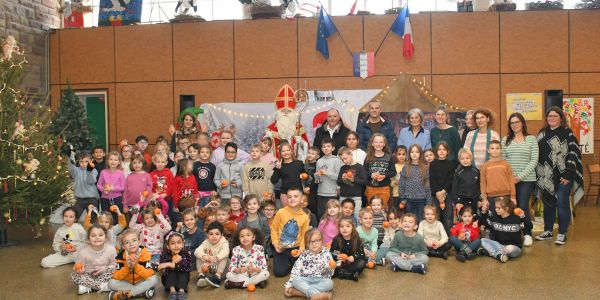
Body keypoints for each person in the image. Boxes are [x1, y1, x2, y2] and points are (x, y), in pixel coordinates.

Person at [535, 106, 584, 245]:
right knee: (548, 203)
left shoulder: (567, 132)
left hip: (563, 175)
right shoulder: (542, 133)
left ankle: (562, 233)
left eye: (555, 116)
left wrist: (568, 173)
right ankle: (548, 231)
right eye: (549, 116)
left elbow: (574, 152)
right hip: (545, 174)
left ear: (561, 118)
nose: (552, 118)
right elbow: (536, 152)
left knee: (562, 204)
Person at [502, 112, 537, 246]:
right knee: (509, 206)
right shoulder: (505, 140)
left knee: (522, 206)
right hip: (508, 180)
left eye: (517, 122)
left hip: (526, 180)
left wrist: (520, 177)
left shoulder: (531, 139)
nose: (515, 125)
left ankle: (527, 232)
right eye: (512, 123)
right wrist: (511, 178)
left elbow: (534, 160)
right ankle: (513, 232)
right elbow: (504, 160)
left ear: (522, 123)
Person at [270, 188, 311, 277]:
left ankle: (292, 263)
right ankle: (286, 263)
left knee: (302, 272)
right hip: (281, 248)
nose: (292, 198)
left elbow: (305, 235)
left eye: (295, 196)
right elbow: (274, 228)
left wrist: (301, 250)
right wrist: (275, 244)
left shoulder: (304, 217)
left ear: (301, 199)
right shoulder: (281, 212)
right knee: (279, 273)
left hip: (296, 248)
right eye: (289, 197)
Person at [108, 229, 159, 299]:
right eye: (127, 242)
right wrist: (127, 267)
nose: (131, 244)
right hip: (127, 283)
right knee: (111, 283)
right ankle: (141, 292)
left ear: (139, 242)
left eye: (134, 240)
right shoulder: (120, 257)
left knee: (154, 279)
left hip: (141, 281)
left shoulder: (145, 253)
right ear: (123, 246)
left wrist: (136, 266)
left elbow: (149, 274)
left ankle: (129, 293)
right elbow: (116, 276)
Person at [284, 229, 335, 299]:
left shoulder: (327, 254)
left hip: (320, 279)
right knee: (295, 280)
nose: (314, 244)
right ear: (306, 244)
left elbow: (330, 274)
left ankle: (300, 293)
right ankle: (318, 295)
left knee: (330, 283)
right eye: (310, 242)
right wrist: (289, 284)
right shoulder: (304, 255)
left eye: (317, 240)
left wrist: (330, 268)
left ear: (322, 241)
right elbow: (295, 270)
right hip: (305, 279)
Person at [264, 84, 310, 158]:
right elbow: (263, 148)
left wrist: (301, 142)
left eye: (288, 111)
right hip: (276, 164)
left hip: (294, 163)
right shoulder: (271, 129)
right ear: (278, 113)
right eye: (282, 111)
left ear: (293, 113)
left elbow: (307, 148)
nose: (285, 113)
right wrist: (267, 138)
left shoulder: (299, 128)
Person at [73, 225, 116, 295]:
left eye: (100, 235)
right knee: (74, 275)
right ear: (88, 239)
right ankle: (103, 286)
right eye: (93, 236)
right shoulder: (83, 251)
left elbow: (114, 265)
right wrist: (80, 270)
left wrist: (105, 269)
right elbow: (77, 266)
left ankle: (88, 286)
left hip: (104, 275)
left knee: (117, 270)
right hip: (89, 275)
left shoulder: (111, 249)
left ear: (106, 237)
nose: (97, 237)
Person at [478, 197, 524, 263]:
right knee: (482, 240)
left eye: (499, 208)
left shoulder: (516, 219)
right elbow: (483, 222)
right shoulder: (494, 218)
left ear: (507, 208)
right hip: (498, 245)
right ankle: (498, 255)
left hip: (514, 248)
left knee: (510, 248)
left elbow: (528, 225)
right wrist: (483, 212)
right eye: (495, 208)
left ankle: (491, 253)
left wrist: (523, 216)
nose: (496, 210)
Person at [480, 140, 516, 215]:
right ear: (488, 151)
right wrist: (484, 199)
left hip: (505, 195)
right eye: (492, 148)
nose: (495, 150)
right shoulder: (484, 166)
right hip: (491, 197)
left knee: (506, 216)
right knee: (493, 218)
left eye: (497, 148)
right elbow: (483, 183)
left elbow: (511, 181)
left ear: (501, 150)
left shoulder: (506, 164)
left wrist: (513, 197)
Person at [429, 142, 458, 233]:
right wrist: (438, 192)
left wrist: (443, 191)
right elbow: (432, 179)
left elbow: (450, 179)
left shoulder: (451, 164)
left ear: (447, 152)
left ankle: (448, 239)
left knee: (448, 217)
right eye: (439, 149)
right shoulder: (433, 164)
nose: (442, 152)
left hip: (447, 194)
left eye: (444, 149)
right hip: (435, 195)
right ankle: (436, 236)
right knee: (435, 216)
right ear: (436, 152)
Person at [399, 144, 432, 222]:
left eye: (417, 152)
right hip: (408, 199)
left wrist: (429, 201)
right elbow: (402, 183)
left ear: (420, 154)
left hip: (421, 199)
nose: (414, 154)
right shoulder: (406, 167)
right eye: (412, 152)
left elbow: (427, 185)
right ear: (409, 154)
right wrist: (402, 198)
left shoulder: (425, 168)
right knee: (410, 220)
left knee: (420, 220)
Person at [363, 133, 397, 209]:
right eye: (376, 142)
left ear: (384, 144)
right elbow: (364, 171)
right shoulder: (368, 156)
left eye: (381, 142)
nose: (378, 144)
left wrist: (384, 176)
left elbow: (393, 172)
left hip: (384, 188)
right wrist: (371, 175)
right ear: (372, 144)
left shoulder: (389, 157)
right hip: (371, 188)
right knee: (371, 210)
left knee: (382, 210)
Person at [158, 232, 193, 300]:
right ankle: (172, 291)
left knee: (183, 272)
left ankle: (181, 291)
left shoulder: (186, 254)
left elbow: (188, 268)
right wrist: (166, 266)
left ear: (183, 244)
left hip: (182, 281)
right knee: (170, 272)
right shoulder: (164, 255)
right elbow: (163, 272)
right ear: (168, 246)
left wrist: (175, 264)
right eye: (173, 243)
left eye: (179, 243)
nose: (176, 246)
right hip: (168, 282)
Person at [330, 217, 367, 281]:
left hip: (352, 263)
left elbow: (361, 254)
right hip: (340, 263)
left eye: (347, 226)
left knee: (362, 262)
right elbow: (331, 252)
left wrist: (354, 257)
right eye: (342, 226)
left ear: (352, 227)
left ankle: (341, 273)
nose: (344, 229)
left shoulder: (357, 239)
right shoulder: (337, 239)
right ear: (339, 228)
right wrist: (337, 256)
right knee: (328, 264)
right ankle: (349, 274)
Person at [195, 222, 230, 288]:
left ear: (222, 235)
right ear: (207, 235)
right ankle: (201, 276)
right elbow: (197, 251)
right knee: (199, 256)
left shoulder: (224, 242)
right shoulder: (206, 242)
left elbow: (226, 251)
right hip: (209, 269)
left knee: (225, 257)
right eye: (211, 234)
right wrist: (205, 257)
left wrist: (216, 258)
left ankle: (217, 277)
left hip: (222, 270)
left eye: (217, 234)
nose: (214, 236)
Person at [271, 142, 305, 207]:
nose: (286, 153)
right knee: (287, 215)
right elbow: (273, 180)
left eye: (288, 150)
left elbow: (306, 176)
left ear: (291, 151)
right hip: (285, 195)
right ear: (280, 153)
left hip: (298, 194)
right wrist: (277, 169)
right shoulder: (279, 165)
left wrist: (304, 177)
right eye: (283, 151)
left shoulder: (299, 163)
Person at [450, 149, 481, 222]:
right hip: (462, 201)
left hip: (474, 201)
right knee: (462, 222)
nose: (465, 160)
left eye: (467, 158)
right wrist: (457, 203)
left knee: (474, 221)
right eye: (462, 158)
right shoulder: (458, 172)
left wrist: (479, 200)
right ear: (459, 160)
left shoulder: (476, 171)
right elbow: (454, 189)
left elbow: (479, 187)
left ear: (471, 158)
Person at [337, 147, 368, 219]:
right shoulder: (343, 168)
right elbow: (338, 182)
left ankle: (356, 230)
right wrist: (342, 178)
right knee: (342, 216)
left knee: (357, 216)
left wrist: (353, 180)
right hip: (343, 196)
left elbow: (365, 182)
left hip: (356, 196)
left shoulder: (360, 167)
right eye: (342, 160)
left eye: (346, 158)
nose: (344, 161)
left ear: (351, 155)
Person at [67, 150, 99, 219]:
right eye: (81, 161)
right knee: (74, 216)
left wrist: (89, 171)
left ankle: (93, 229)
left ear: (91, 161)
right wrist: (70, 156)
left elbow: (91, 181)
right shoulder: (76, 171)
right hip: (79, 199)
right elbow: (71, 167)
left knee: (92, 219)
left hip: (92, 199)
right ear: (78, 161)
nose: (84, 164)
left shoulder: (93, 170)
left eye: (86, 161)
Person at [315, 137, 342, 219]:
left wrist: (327, 173)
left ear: (333, 148)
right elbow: (318, 179)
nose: (326, 148)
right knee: (321, 215)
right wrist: (317, 176)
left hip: (332, 193)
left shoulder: (336, 160)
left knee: (332, 215)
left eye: (328, 146)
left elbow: (338, 177)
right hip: (320, 192)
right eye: (323, 146)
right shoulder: (319, 161)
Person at [97, 151, 125, 222]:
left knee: (117, 218)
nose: (113, 161)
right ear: (107, 161)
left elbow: (123, 187)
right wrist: (104, 190)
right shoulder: (103, 172)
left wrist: (113, 188)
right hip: (105, 199)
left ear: (119, 162)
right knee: (106, 217)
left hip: (117, 199)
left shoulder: (121, 173)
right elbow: (98, 185)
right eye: (111, 159)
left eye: (115, 160)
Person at [303, 146, 320, 216]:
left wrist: (310, 187)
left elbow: (318, 180)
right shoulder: (305, 165)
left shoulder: (318, 165)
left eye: (313, 154)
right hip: (305, 191)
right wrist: (304, 187)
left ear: (317, 156)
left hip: (314, 191)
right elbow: (302, 178)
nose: (310, 155)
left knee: (314, 210)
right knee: (306, 209)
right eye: (309, 153)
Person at [390, 146, 407, 212]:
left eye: (403, 154)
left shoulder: (408, 166)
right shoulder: (393, 166)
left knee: (407, 214)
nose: (401, 156)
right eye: (399, 154)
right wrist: (395, 182)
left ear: (406, 155)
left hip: (407, 195)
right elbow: (391, 183)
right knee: (397, 213)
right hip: (396, 194)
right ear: (395, 155)